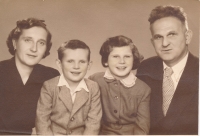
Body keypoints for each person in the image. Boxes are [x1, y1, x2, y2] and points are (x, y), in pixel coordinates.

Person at [136, 5, 198, 135]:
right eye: (158, 37)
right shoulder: (145, 68)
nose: (164, 43)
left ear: (187, 37)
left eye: (171, 34)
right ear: (152, 42)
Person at [0, 18, 60, 135]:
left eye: (41, 43)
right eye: (28, 40)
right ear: (15, 43)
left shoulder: (52, 76)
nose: (34, 49)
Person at [35, 40, 102, 135]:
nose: (76, 66)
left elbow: (93, 123)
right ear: (59, 64)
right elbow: (42, 121)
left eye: (82, 62)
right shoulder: (49, 86)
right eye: (70, 61)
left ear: (89, 65)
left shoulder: (93, 87)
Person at [89, 35, 151, 135]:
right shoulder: (95, 80)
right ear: (106, 61)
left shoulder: (143, 89)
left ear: (133, 59)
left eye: (127, 56)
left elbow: (142, 127)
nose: (122, 61)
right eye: (115, 56)